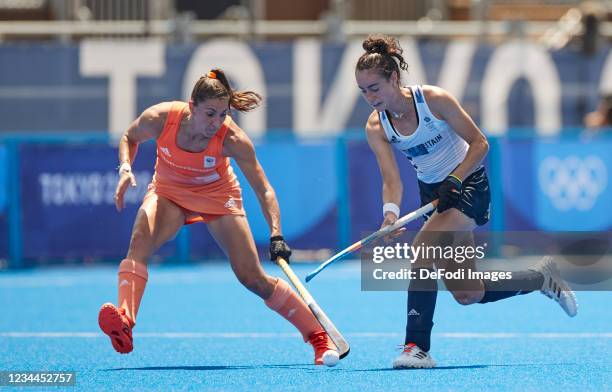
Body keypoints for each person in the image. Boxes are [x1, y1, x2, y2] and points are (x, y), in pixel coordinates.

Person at [354, 34, 578, 369]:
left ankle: (417, 347)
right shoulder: (377, 126)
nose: (370, 97)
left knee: (422, 252)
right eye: (363, 91)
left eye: (375, 88)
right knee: (467, 293)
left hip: (468, 185)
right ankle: (540, 278)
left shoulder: (433, 101)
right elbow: (391, 180)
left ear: (394, 79)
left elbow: (480, 143)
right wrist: (390, 216)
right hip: (435, 196)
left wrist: (455, 178)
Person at [98, 68, 337, 365]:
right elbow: (129, 137)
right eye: (210, 113)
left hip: (218, 196)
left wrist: (276, 233)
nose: (217, 122)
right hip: (169, 192)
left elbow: (264, 190)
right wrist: (125, 168)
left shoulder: (232, 139)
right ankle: (125, 320)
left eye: (223, 114)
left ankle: (318, 336)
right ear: (191, 106)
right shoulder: (161, 118)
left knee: (252, 278)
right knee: (140, 241)